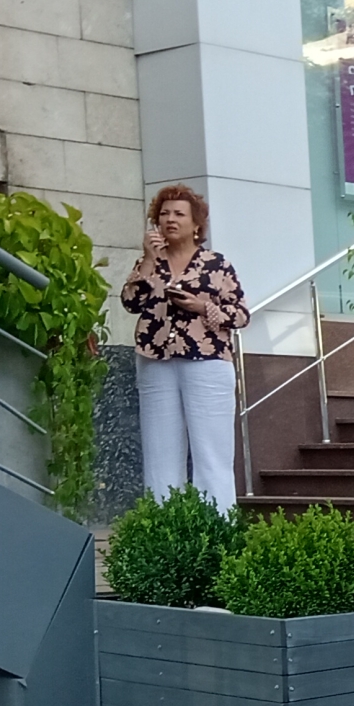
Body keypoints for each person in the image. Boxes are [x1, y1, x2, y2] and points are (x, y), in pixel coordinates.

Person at [121, 186, 249, 514]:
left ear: (196, 225)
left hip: (206, 360)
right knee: (160, 452)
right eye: (164, 214)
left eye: (178, 214)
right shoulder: (150, 262)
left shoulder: (216, 264)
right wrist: (148, 261)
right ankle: (165, 532)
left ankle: (217, 529)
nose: (169, 220)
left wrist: (202, 306)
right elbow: (130, 302)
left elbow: (241, 314)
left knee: (211, 452)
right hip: (155, 360)